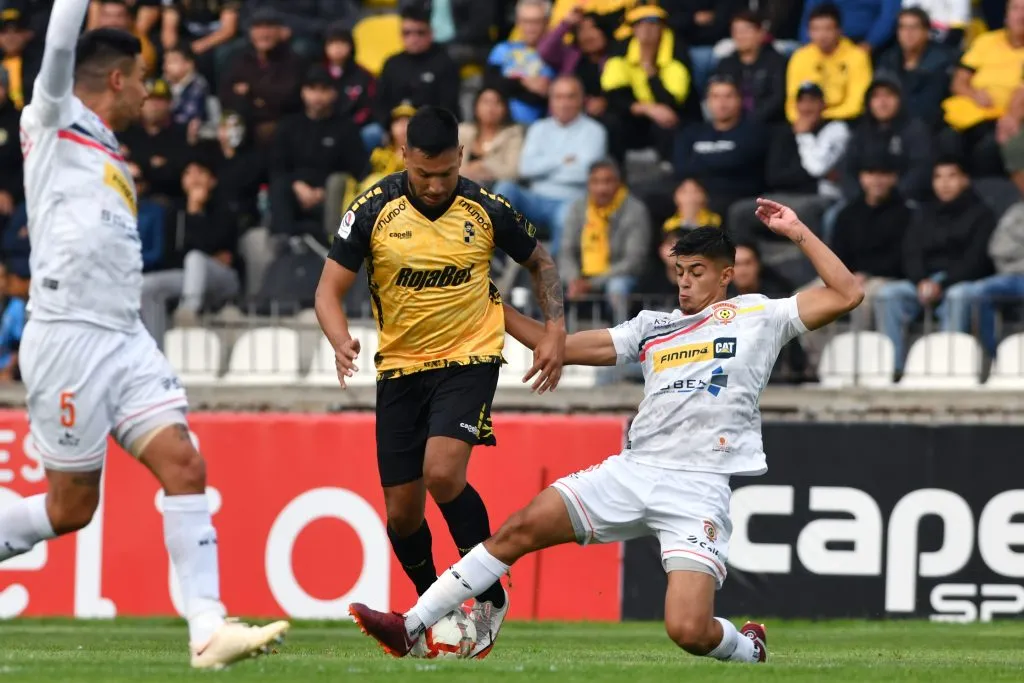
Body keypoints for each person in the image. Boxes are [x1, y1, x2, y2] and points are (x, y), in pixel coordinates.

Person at [348, 202, 864, 661]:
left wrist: (796, 229)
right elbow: (564, 347)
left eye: (697, 272)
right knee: (517, 530)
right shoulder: (652, 327)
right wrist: (491, 306)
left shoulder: (760, 316)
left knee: (687, 630)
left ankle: (747, 648)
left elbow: (847, 293)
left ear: (726, 275)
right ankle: (410, 625)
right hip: (632, 471)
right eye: (679, 272)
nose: (684, 282)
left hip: (699, 487)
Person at [3, 0, 288, 668]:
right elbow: (59, 45)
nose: (150, 93)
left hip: (123, 335)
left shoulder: (107, 149)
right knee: (70, 507)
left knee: (185, 463)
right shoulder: (49, 118)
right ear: (118, 79)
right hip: (67, 335)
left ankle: (208, 629)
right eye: (145, 80)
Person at [314, 105, 566, 659]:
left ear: (461, 158)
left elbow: (540, 261)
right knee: (402, 514)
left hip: (469, 358)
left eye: (446, 173)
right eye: (424, 174)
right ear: (405, 157)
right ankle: (438, 605)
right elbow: (327, 291)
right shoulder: (372, 209)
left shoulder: (485, 205)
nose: (434, 185)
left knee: (442, 473)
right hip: (400, 370)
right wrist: (339, 339)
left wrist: (555, 329)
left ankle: (489, 596)